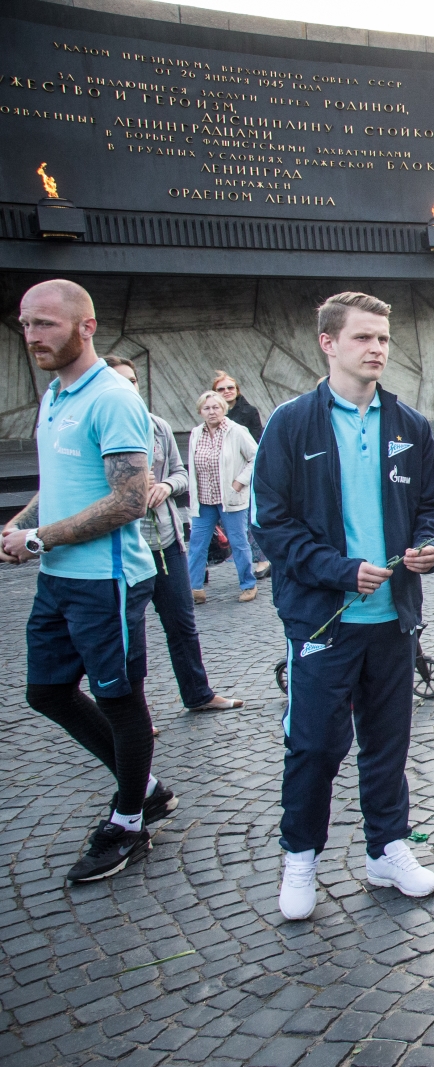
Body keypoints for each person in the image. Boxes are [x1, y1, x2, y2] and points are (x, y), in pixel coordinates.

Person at [252, 291, 434, 922]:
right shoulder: (290, 424)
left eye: (384, 339)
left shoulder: (408, 425)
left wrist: (428, 546)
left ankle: (387, 849)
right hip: (321, 620)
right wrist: (338, 571)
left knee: (388, 744)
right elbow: (271, 524)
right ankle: (301, 856)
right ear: (328, 343)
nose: (377, 350)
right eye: (364, 338)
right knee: (313, 746)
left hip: (392, 621)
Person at [0, 279, 179, 883]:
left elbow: (129, 500)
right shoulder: (56, 395)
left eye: (45, 323)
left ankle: (129, 822)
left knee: (120, 701)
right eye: (25, 324)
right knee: (46, 691)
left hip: (106, 581)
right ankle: (148, 788)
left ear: (85, 326)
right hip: (58, 578)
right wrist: (21, 523)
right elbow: (59, 485)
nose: (32, 336)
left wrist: (40, 539)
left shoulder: (110, 398)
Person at [104, 357, 244, 714]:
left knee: (182, 624)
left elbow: (181, 473)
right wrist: (128, 488)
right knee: (129, 635)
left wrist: (167, 485)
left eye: (133, 380)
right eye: (119, 381)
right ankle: (133, 716)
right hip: (124, 547)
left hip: (165, 542)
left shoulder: (157, 426)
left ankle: (198, 694)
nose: (129, 388)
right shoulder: (100, 428)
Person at [186, 390, 258, 604]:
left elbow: (256, 456)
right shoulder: (196, 433)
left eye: (216, 407)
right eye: (207, 408)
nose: (211, 412)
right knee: (197, 544)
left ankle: (248, 584)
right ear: (200, 411)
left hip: (230, 498)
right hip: (204, 499)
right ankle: (194, 588)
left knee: (238, 542)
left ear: (223, 409)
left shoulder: (236, 431)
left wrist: (240, 481)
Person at [212, 371, 271, 580]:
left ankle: (263, 559)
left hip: (245, 474)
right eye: (221, 389)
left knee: (249, 519)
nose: (227, 392)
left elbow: (257, 445)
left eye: (230, 388)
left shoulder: (248, 412)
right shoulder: (213, 412)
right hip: (220, 476)